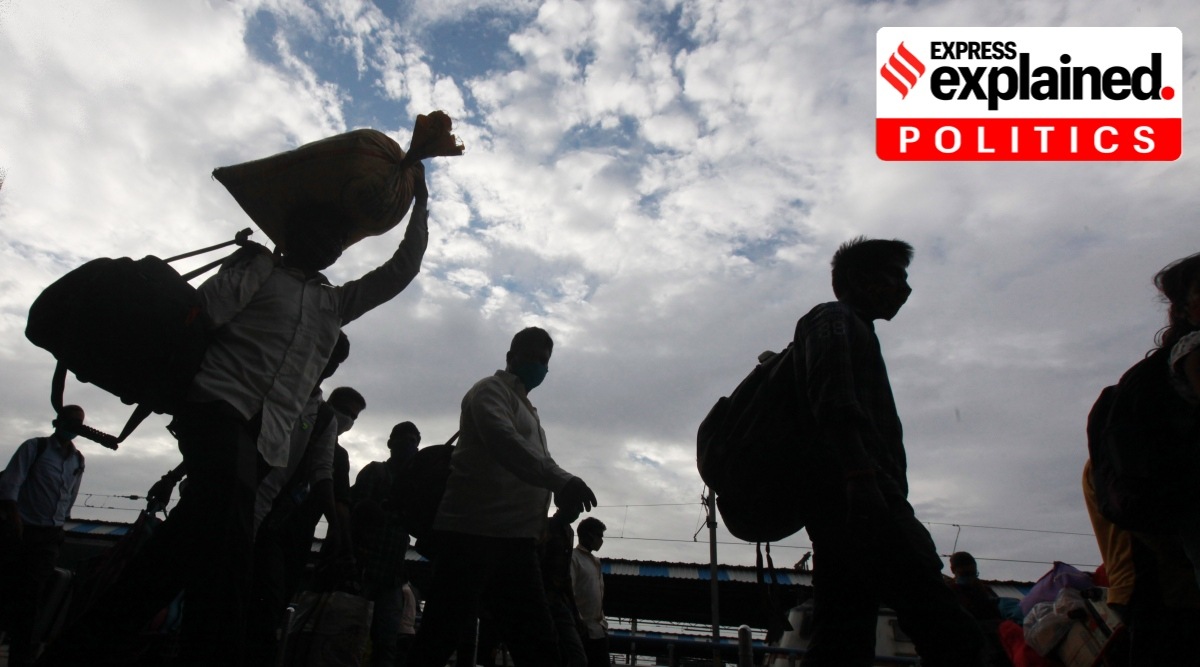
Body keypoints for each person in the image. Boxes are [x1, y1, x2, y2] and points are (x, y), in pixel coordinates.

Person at [792, 237, 982, 667]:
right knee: (951, 631)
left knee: (841, 639)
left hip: (850, 501)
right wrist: (861, 479)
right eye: (895, 275)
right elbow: (834, 402)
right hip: (866, 498)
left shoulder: (854, 327)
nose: (904, 288)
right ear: (859, 279)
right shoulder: (835, 318)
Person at [406, 327, 598, 667]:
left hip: (516, 543)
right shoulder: (489, 391)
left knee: (538, 646)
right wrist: (562, 481)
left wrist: (557, 493)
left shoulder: (529, 412)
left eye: (544, 361)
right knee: (440, 638)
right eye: (532, 357)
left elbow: (534, 464)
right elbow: (504, 441)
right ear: (510, 357)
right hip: (471, 537)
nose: (539, 366)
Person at [0, 406, 86, 667]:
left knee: (32, 599)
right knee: (9, 592)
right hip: (21, 532)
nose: (73, 427)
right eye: (70, 421)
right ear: (57, 422)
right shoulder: (35, 448)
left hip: (49, 537)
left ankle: (20, 657)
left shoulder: (78, 460)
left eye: (78, 423)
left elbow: (70, 496)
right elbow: (10, 484)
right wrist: (14, 520)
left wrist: (60, 526)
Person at [352, 420, 421, 667]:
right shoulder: (375, 472)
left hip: (392, 576)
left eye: (414, 442)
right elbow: (355, 511)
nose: (410, 445)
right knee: (351, 638)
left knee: (386, 644)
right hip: (364, 570)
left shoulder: (413, 486)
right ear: (391, 443)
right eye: (405, 439)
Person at [542, 506, 586, 667]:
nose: (577, 513)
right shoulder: (545, 526)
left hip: (559, 601)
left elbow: (566, 576)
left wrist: (574, 612)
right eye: (575, 508)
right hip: (545, 600)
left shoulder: (569, 532)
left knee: (575, 657)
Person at [571, 517, 609, 667]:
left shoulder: (596, 562)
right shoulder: (573, 558)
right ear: (588, 535)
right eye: (599, 535)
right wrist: (578, 621)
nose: (601, 540)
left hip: (599, 631)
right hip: (583, 631)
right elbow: (569, 592)